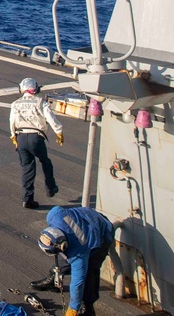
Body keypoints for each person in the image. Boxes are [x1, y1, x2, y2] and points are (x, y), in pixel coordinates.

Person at [37, 206, 115, 316]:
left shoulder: (79, 254)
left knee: (90, 272)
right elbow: (58, 209)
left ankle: (88, 307)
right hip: (87, 216)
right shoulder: (54, 216)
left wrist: (73, 308)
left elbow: (77, 283)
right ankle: (54, 278)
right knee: (63, 257)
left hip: (102, 231)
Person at [9, 77, 63, 208]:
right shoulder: (40, 102)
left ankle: (27, 198)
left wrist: (13, 136)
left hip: (21, 137)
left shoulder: (15, 103)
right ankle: (50, 188)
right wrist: (59, 132)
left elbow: (12, 121)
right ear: (36, 88)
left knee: (27, 168)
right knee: (45, 161)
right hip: (36, 138)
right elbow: (50, 118)